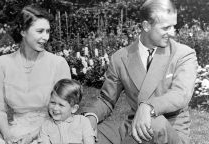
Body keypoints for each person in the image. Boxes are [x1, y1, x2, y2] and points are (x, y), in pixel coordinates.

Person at [82, 0, 198, 144]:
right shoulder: (120, 57)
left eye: (173, 26)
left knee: (154, 125)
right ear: (146, 26)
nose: (172, 33)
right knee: (80, 130)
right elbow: (106, 99)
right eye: (166, 28)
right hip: (133, 125)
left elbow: (181, 94)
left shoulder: (183, 54)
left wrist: (149, 106)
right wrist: (90, 118)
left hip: (169, 130)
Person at [0, 5, 71, 144]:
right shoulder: (2, 63)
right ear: (23, 31)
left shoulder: (58, 64)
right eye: (40, 31)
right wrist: (8, 136)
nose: (45, 37)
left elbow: (65, 110)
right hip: (15, 130)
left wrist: (33, 136)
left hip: (52, 129)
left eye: (48, 31)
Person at [38, 78, 95, 144]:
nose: (55, 108)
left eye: (61, 105)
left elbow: (89, 141)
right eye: (52, 102)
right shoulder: (46, 126)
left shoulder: (83, 122)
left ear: (73, 108)